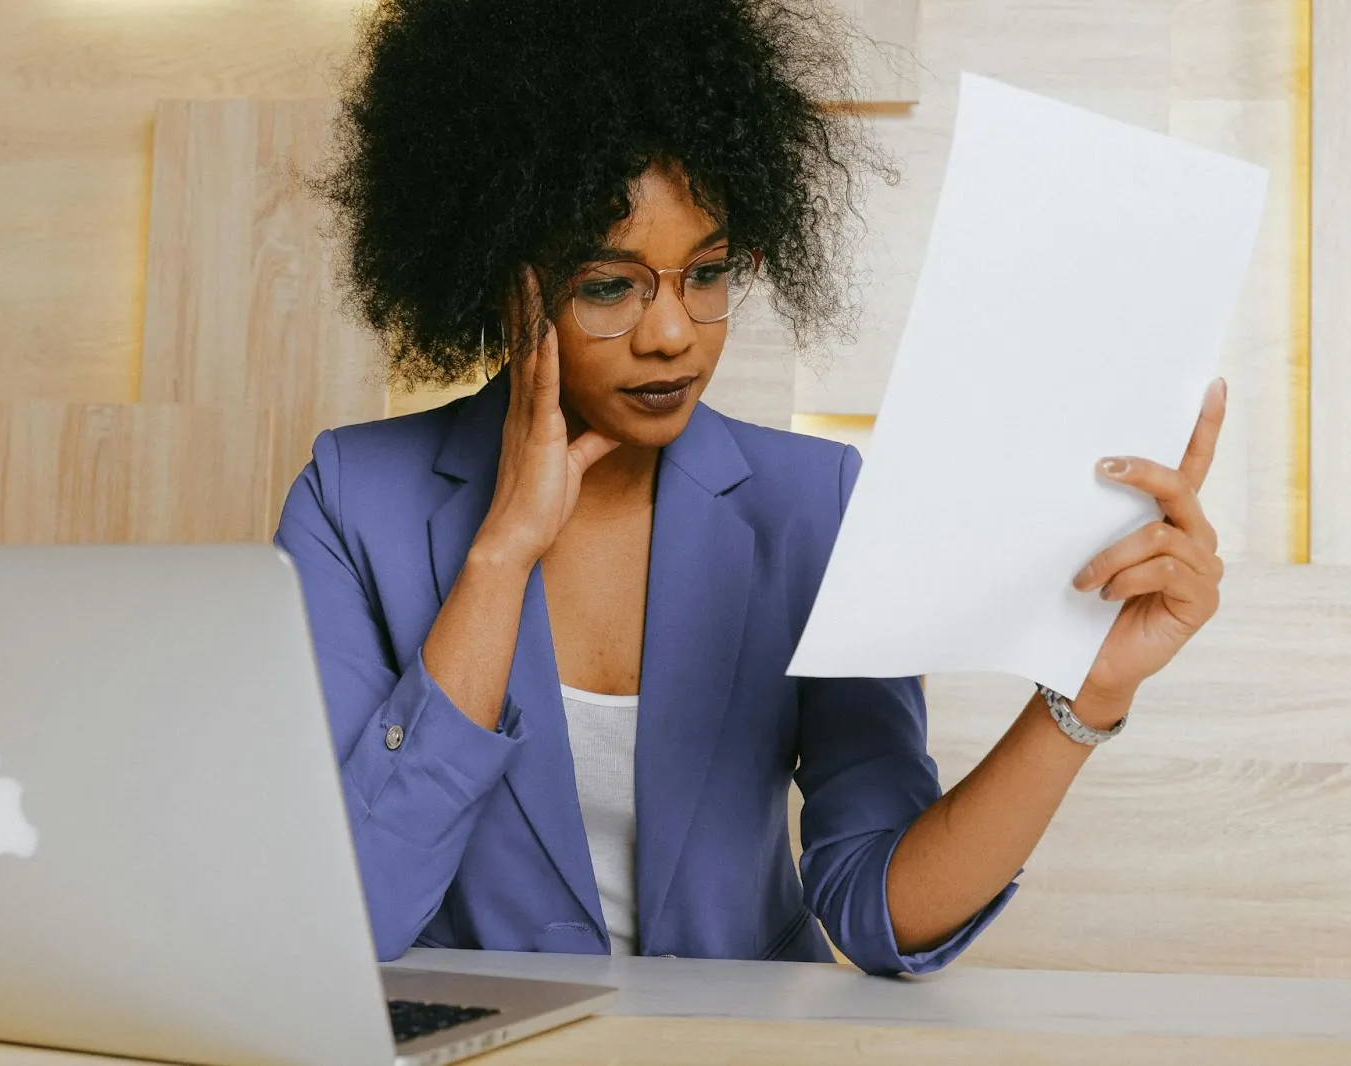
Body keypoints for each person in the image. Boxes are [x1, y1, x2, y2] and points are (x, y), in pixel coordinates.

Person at [275, 0, 1226, 977]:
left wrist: (1086, 688)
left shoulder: (812, 504)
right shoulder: (352, 505)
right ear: (500, 276)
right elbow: (355, 913)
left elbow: (878, 910)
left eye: (708, 272)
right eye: (609, 285)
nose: (672, 333)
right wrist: (500, 551)